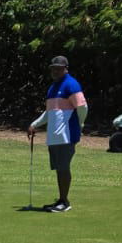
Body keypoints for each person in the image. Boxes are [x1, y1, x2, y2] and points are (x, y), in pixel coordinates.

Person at [26, 55, 87, 212]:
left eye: (58, 68)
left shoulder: (71, 84)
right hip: (54, 135)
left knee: (64, 167)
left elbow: (82, 107)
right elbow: (49, 113)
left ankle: (65, 202)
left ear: (65, 68)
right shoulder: (53, 88)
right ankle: (60, 200)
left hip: (67, 135)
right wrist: (34, 124)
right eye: (53, 68)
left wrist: (80, 123)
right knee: (59, 168)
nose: (55, 71)